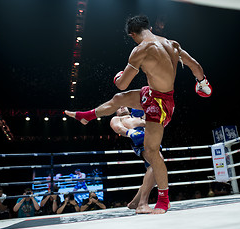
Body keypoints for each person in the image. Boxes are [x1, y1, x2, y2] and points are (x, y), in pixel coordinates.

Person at [65, 15, 211, 214]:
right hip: (153, 93)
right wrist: (202, 84)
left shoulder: (139, 50)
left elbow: (122, 82)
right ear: (149, 27)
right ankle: (88, 115)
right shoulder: (172, 44)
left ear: (132, 34)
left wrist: (118, 76)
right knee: (119, 99)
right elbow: (195, 66)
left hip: (159, 105)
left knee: (152, 152)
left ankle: (163, 199)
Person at [110, 107, 157, 214]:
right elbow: (118, 128)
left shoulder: (137, 114)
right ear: (116, 112)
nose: (121, 107)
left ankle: (135, 202)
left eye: (124, 105)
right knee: (156, 166)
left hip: (152, 140)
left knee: (154, 175)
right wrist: (130, 132)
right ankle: (142, 204)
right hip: (140, 142)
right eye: (119, 107)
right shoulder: (117, 119)